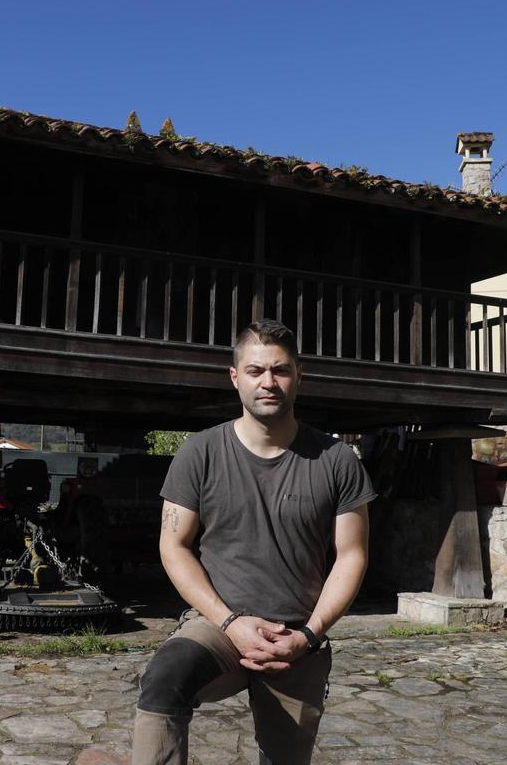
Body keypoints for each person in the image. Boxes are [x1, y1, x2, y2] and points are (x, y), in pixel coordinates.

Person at [131, 319, 375, 765]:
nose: (268, 382)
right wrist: (230, 623)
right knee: (165, 677)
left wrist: (308, 635)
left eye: (280, 370)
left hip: (296, 637)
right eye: (256, 370)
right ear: (235, 376)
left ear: (299, 374)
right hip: (219, 627)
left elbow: (352, 555)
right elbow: (174, 546)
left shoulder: (336, 459)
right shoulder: (200, 452)